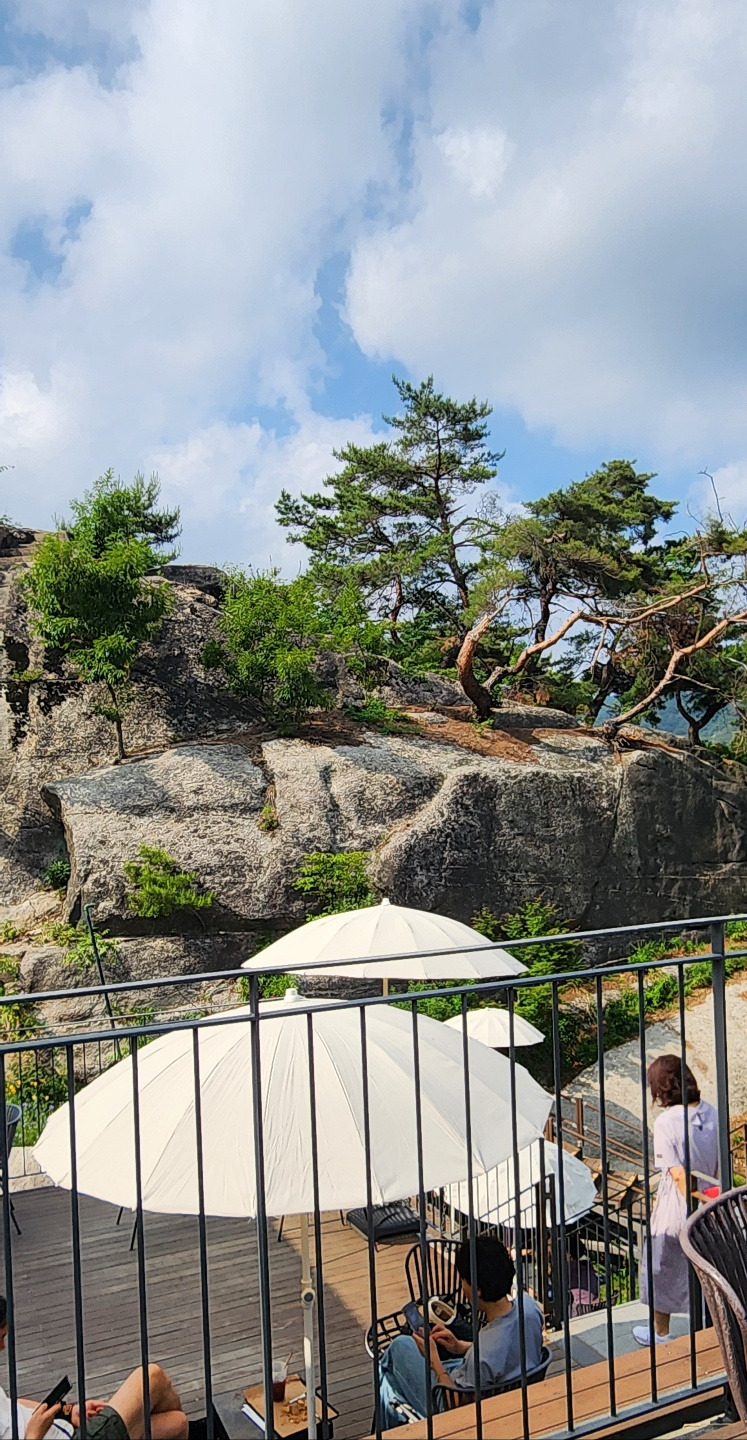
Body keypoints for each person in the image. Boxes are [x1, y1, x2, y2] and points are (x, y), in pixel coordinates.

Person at [379, 1234, 544, 1427]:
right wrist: (461, 1347)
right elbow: (505, 1351)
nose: (462, 1286)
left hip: (459, 1406)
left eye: (463, 1280)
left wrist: (434, 1360)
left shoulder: (483, 1352)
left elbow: (455, 1408)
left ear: (477, 1289)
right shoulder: (529, 1307)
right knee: (390, 1385)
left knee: (398, 1349)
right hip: (512, 1399)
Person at [0, 1295, 188, 1440]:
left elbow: (8, 1405)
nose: (2, 1347)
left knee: (178, 1424)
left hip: (64, 1429)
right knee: (151, 1376)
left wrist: (67, 1412)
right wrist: (34, 1434)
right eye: (0, 1337)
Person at [634, 1054, 719, 1348]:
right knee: (707, 1272)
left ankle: (661, 1334)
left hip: (679, 1207)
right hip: (713, 1203)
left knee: (661, 1268)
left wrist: (696, 1200)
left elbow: (678, 1174)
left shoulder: (666, 1122)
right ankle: (713, 1330)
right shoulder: (711, 1111)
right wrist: (710, 1200)